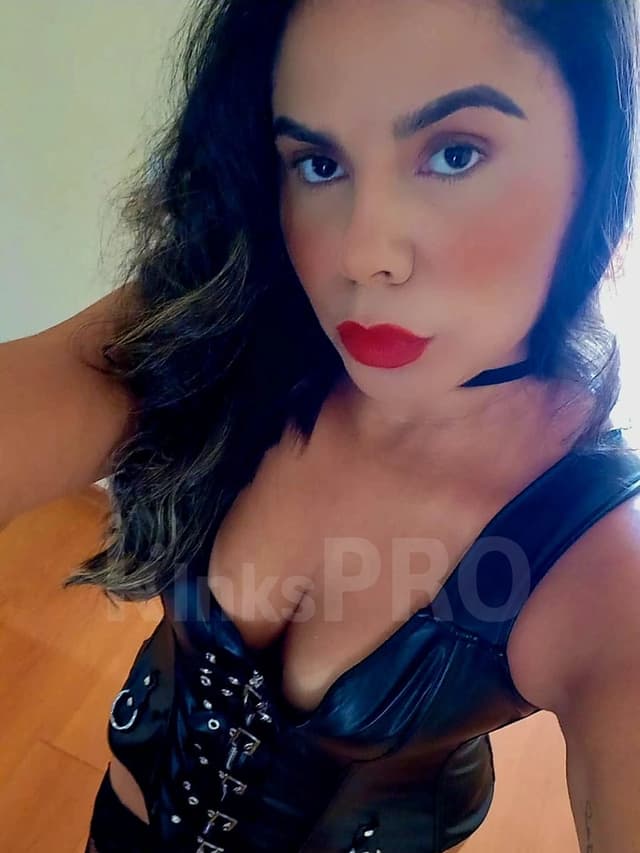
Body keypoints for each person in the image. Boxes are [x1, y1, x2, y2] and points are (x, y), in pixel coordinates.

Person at [3, 0, 640, 850]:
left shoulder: (599, 558)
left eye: (454, 153)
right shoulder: (215, 323)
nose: (361, 254)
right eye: (319, 163)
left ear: (595, 156)